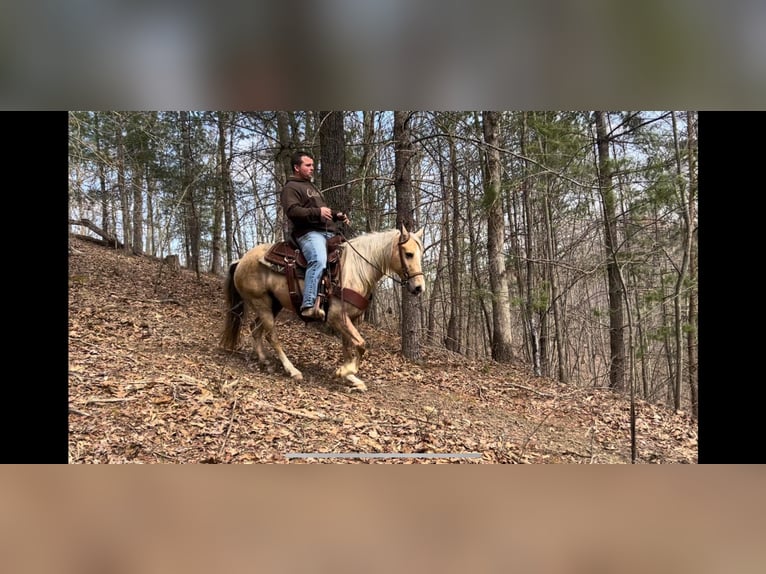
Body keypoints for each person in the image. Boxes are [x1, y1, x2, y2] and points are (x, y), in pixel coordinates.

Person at [280, 150, 350, 320]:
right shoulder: (291, 188)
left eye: (312, 165)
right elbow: (292, 211)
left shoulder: (312, 187)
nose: (312, 168)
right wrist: (317, 212)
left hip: (327, 232)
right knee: (318, 259)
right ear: (297, 167)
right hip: (308, 233)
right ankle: (308, 305)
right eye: (308, 165)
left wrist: (336, 215)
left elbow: (321, 211)